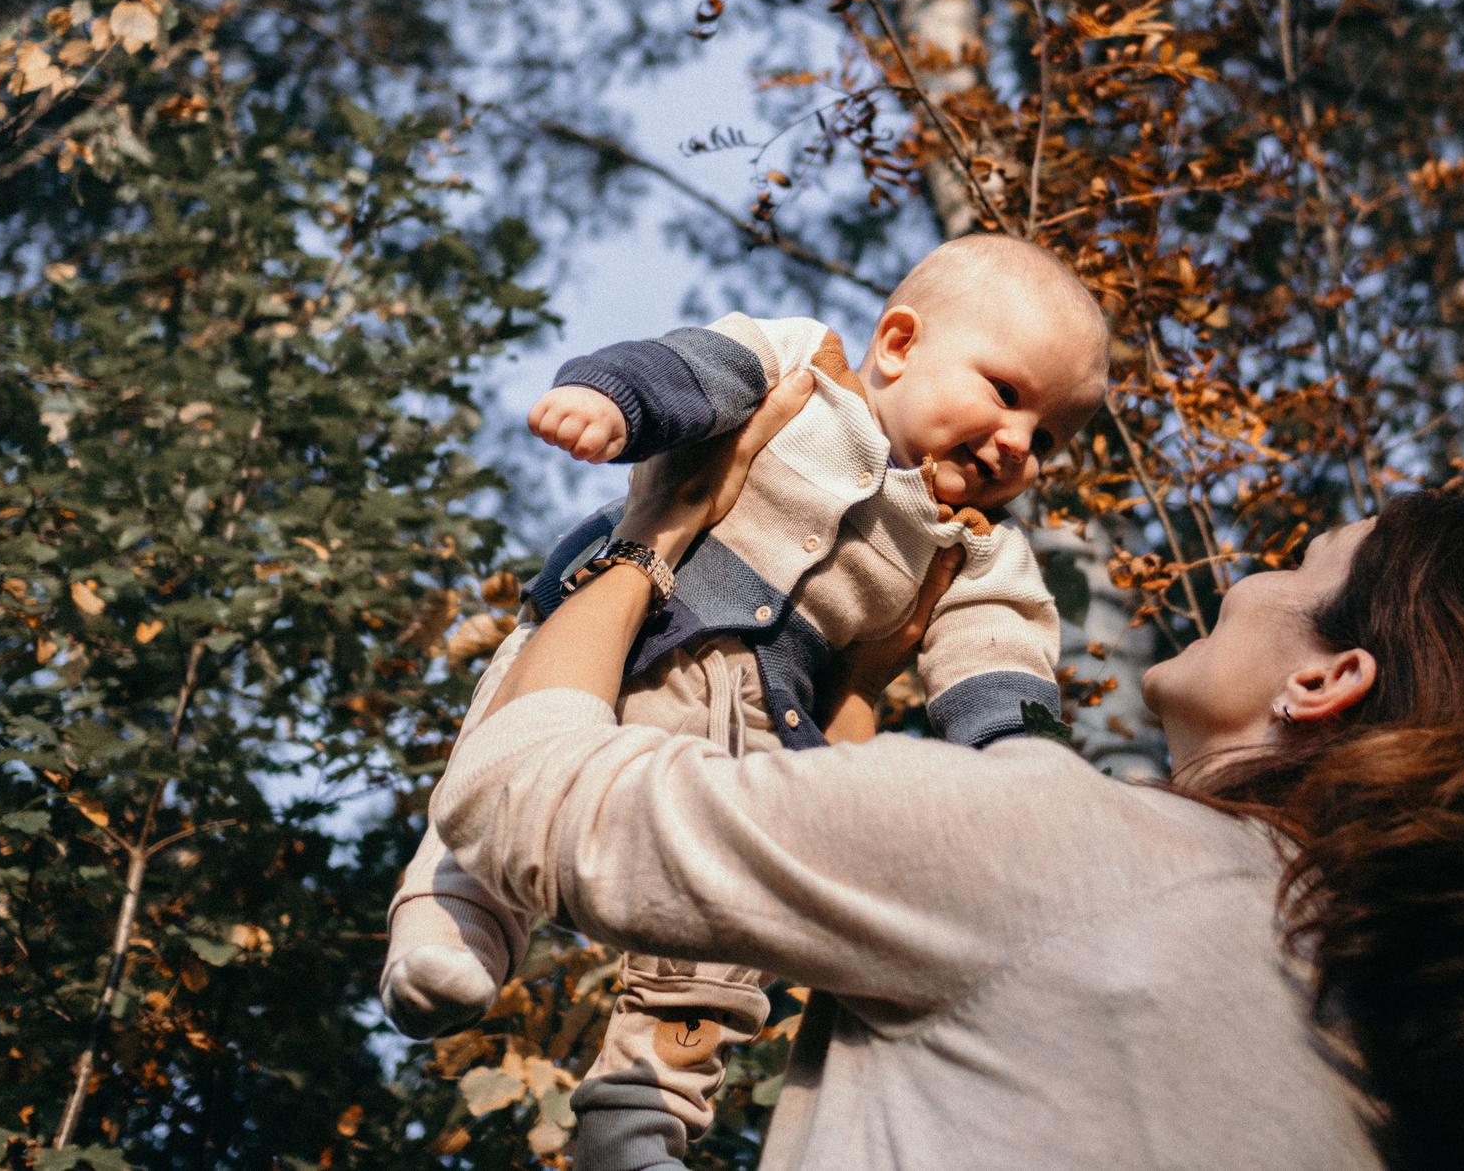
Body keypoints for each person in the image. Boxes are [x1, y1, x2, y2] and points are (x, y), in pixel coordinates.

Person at [430, 370, 1464, 1171]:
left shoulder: (1078, 855)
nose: (1255, 569)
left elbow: (522, 794)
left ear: (1328, 679)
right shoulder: (1415, 1068)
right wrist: (855, 681)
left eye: (1305, 565)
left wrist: (658, 533)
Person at [382, 234, 1110, 1167]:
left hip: (767, 722)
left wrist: (1026, 766)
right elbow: (695, 368)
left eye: (1047, 439)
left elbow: (998, 656)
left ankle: (639, 1121)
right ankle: (457, 917)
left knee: (728, 943)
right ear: (897, 343)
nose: (1019, 443)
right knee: (513, 747)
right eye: (1007, 393)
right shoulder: (801, 362)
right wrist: (615, 401)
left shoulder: (972, 550)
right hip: (631, 634)